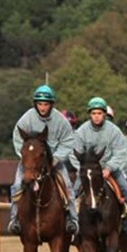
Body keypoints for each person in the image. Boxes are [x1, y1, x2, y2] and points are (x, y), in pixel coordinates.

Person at [8, 84, 78, 236]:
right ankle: (14, 220)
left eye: (46, 104)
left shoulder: (61, 121)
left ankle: (72, 219)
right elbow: (17, 138)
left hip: (54, 161)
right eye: (40, 104)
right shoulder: (26, 118)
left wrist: (57, 158)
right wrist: (27, 159)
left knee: (68, 186)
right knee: (16, 185)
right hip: (31, 162)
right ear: (35, 104)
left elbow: (68, 141)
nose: (43, 107)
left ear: (51, 104)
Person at [72, 97, 127, 238]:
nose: (96, 116)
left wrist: (109, 168)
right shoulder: (81, 131)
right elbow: (74, 153)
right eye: (93, 113)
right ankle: (72, 224)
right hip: (89, 171)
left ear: (104, 114)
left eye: (99, 113)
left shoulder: (114, 131)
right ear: (90, 114)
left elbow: (121, 152)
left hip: (110, 170)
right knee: (73, 192)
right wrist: (82, 169)